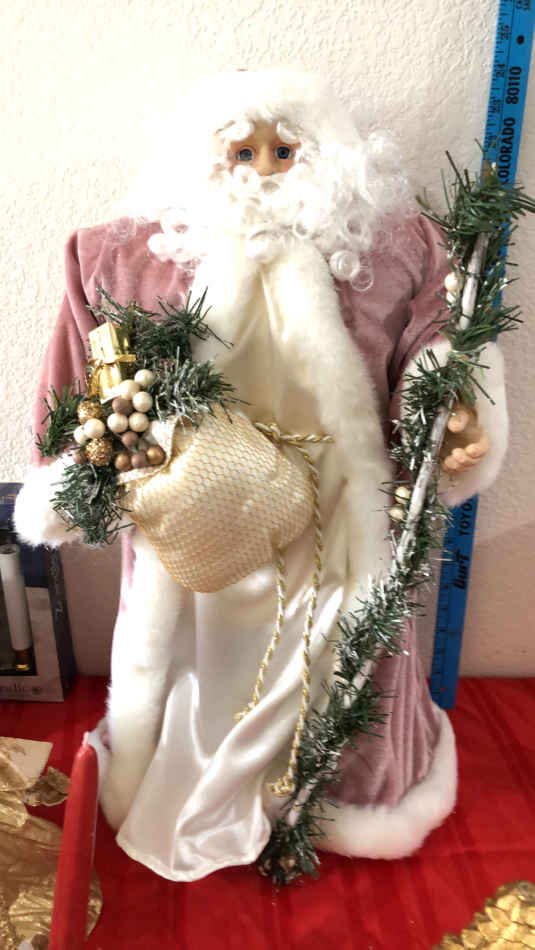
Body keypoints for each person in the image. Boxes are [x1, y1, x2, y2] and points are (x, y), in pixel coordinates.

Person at [15, 68, 507, 881]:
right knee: (197, 665)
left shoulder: (401, 251)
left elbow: (435, 351)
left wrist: (454, 416)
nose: (264, 169)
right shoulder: (118, 258)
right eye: (242, 152)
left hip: (336, 531)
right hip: (196, 527)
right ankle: (192, 779)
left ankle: (328, 801)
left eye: (286, 150)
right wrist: (86, 471)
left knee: (343, 659)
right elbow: (78, 397)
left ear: (331, 155)